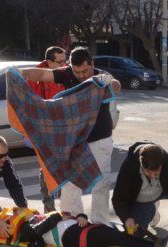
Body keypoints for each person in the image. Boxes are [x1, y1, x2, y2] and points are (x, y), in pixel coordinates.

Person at [19, 46, 121, 224]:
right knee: (69, 183)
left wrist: (109, 83)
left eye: (85, 71)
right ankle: (72, 219)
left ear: (92, 64)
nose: (81, 75)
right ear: (71, 67)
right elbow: (42, 75)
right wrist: (18, 73)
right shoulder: (67, 74)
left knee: (101, 184)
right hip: (74, 140)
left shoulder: (101, 75)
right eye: (77, 71)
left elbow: (117, 87)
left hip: (100, 139)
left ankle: (100, 222)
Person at [112, 143, 168, 247]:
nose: (152, 175)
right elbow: (118, 198)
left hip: (163, 190)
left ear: (161, 164)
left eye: (157, 172)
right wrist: (126, 218)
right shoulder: (129, 166)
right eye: (148, 172)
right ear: (141, 163)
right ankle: (153, 211)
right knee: (136, 236)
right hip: (143, 198)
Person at [17, 211, 168, 247]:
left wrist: (81, 216)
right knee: (118, 238)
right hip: (71, 238)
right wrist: (55, 217)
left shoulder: (46, 216)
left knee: (119, 236)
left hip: (81, 229)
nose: (34, 215)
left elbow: (72, 215)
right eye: (30, 217)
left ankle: (159, 246)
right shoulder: (29, 230)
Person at [28, 46, 67, 213]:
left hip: (64, 129)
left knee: (66, 168)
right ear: (50, 63)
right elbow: (30, 104)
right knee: (46, 169)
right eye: (61, 61)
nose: (66, 64)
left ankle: (66, 206)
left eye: (67, 60)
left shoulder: (67, 73)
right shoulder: (35, 76)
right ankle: (49, 206)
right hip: (44, 131)